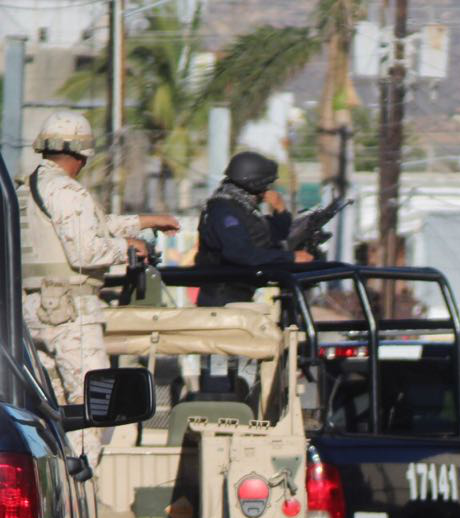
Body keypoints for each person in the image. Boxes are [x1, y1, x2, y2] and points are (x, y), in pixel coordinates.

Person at [19, 110, 179, 466]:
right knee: (94, 407)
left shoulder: (27, 189)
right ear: (82, 155)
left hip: (36, 312)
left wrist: (143, 222)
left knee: (52, 409)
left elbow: (88, 226)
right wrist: (131, 248)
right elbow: (87, 249)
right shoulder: (67, 190)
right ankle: (84, 483)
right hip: (70, 313)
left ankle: (59, 476)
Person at [195, 151, 313, 306]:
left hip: (239, 294)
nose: (267, 190)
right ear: (254, 185)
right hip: (222, 298)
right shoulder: (223, 209)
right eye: (265, 185)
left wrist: (281, 211)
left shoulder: (243, 208)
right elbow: (239, 253)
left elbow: (272, 238)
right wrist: (290, 257)